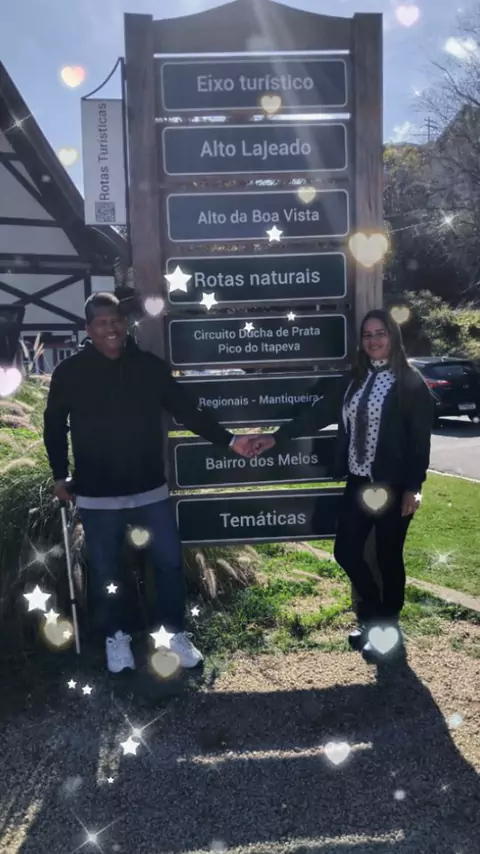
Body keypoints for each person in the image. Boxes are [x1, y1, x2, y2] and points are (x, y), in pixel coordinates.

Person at [43, 293, 258, 675]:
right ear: (89, 329)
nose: (111, 328)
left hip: (149, 490)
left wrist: (229, 440)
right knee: (107, 572)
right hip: (96, 494)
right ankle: (117, 638)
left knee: (168, 564)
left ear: (125, 323)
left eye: (116, 320)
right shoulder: (69, 373)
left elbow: (187, 411)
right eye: (102, 322)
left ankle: (174, 635)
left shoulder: (148, 367)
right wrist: (60, 474)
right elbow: (54, 426)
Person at [253, 309, 434, 664]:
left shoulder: (410, 382)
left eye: (380, 333)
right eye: (367, 335)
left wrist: (414, 487)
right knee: (346, 551)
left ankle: (386, 629)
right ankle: (372, 615)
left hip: (394, 484)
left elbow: (419, 441)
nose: (373, 340)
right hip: (359, 481)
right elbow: (318, 414)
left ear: (393, 336)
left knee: (388, 557)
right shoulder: (355, 378)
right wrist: (276, 437)